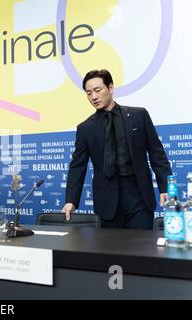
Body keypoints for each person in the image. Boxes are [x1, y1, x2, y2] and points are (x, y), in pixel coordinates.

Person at [62, 69, 171, 229]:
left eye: (98, 90)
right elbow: (77, 166)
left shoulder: (139, 116)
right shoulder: (86, 128)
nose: (93, 97)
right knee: (111, 252)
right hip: (107, 200)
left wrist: (165, 188)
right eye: (89, 93)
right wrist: (71, 200)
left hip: (139, 196)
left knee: (140, 249)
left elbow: (157, 154)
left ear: (111, 88)